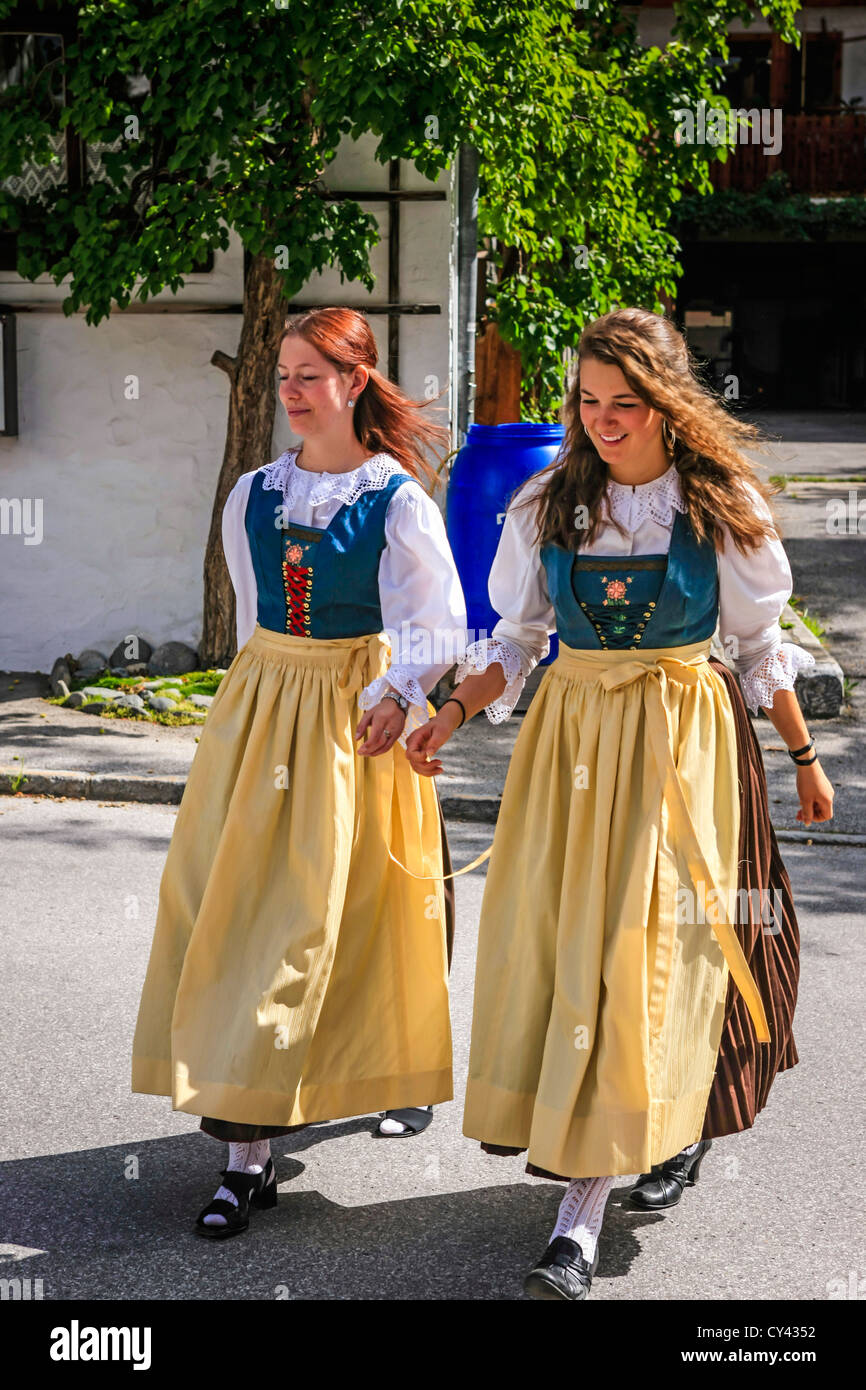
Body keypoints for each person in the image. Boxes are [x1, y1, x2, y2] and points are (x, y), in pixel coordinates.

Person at [405, 307, 834, 1298]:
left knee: (647, 952)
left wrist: (803, 757)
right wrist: (449, 712)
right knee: (577, 949)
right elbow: (513, 638)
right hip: (571, 745)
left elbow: (761, 647)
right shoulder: (546, 504)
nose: (601, 419)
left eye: (624, 404)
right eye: (588, 401)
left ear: (666, 402)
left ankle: (577, 1216)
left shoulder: (716, 503)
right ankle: (635, 1131)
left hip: (683, 739)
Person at [132, 306, 467, 1238]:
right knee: (241, 908)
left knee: (365, 913)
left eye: (308, 375)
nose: (288, 392)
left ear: (355, 384)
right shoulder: (253, 493)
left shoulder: (396, 498)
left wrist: (402, 693)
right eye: (282, 374)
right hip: (264, 704)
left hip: (358, 708)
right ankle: (247, 1153)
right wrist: (249, 715)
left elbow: (435, 625)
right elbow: (251, 616)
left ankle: (386, 1073)